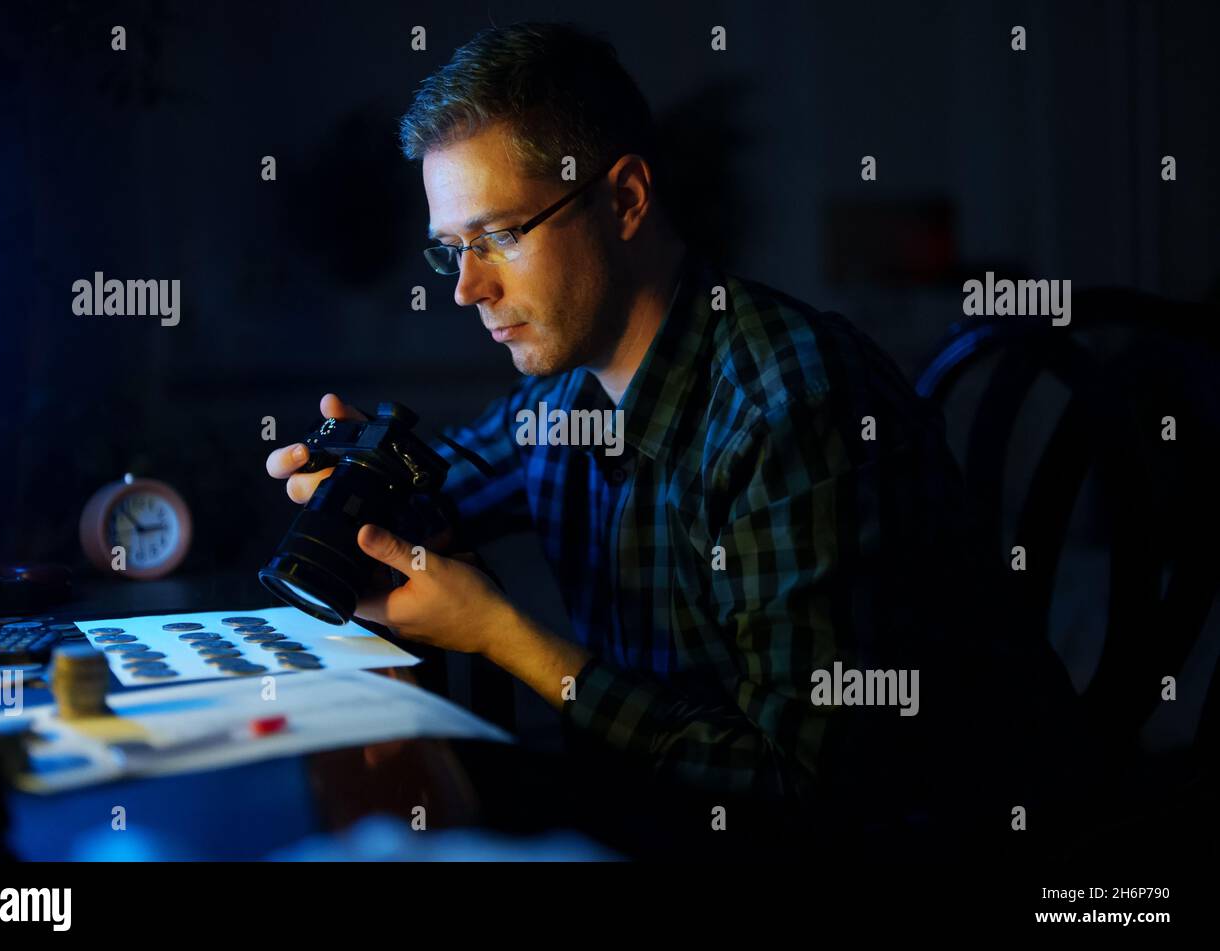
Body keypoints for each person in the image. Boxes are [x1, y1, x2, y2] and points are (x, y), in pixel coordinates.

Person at [266, 22, 1087, 860]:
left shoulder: (792, 404)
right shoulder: (560, 390)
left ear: (624, 199)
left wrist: (502, 634)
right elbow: (439, 494)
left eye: (502, 235)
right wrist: (350, 487)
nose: (470, 288)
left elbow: (809, 784)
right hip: (655, 812)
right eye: (454, 252)